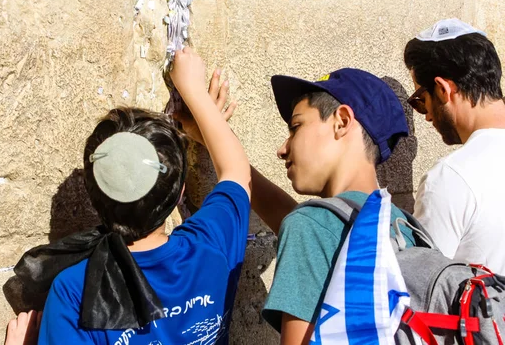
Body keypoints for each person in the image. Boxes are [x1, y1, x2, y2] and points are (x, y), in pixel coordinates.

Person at [7, 47, 251, 345]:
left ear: (94, 195)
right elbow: (237, 172)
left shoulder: (74, 291)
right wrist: (194, 92)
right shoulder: (210, 244)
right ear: (179, 193)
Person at [177, 67, 415, 343]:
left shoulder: (310, 228)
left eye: (295, 127)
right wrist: (209, 133)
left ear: (342, 121)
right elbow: (292, 216)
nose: (282, 149)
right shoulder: (402, 227)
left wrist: (193, 91)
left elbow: (303, 225)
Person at [404, 18, 505, 274]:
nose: (426, 115)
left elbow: (421, 286)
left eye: (420, 99)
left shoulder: (451, 178)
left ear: (442, 90)